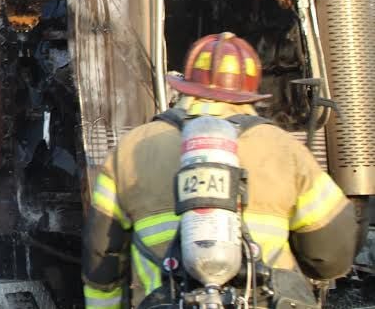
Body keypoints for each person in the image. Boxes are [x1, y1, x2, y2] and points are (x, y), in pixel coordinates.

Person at [82, 32, 356, 308]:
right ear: (249, 92)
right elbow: (330, 257)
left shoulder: (131, 149)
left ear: (185, 86)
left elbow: (100, 260)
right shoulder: (285, 150)